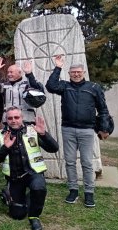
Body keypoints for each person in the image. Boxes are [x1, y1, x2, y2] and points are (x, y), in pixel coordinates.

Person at [46, 55, 111, 207]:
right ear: (69, 74)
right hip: (68, 129)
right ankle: (73, 190)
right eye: (73, 72)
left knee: (87, 163)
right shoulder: (65, 86)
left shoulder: (93, 88)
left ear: (83, 73)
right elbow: (50, 86)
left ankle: (89, 193)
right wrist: (58, 67)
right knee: (69, 162)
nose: (76, 74)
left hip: (87, 131)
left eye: (78, 72)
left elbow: (103, 109)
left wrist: (104, 128)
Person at [0, 107, 59, 230]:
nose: (13, 120)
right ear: (6, 120)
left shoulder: (33, 131)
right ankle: (12, 193)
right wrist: (5, 148)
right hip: (15, 177)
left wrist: (43, 134)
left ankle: (34, 216)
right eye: (10, 118)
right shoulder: (1, 135)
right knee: (17, 215)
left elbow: (54, 148)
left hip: (34, 173)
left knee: (38, 187)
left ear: (22, 118)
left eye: (16, 117)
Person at [0, 57, 44, 124]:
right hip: (9, 121)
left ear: (19, 72)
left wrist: (29, 74)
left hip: (27, 120)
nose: (9, 74)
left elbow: (38, 91)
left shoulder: (28, 83)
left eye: (11, 72)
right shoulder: (4, 85)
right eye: (8, 72)